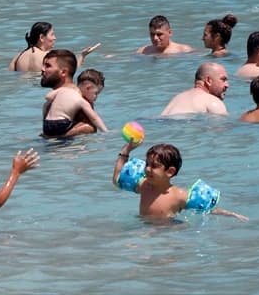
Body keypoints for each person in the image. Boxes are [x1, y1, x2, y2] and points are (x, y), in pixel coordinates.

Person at [112, 140, 247, 221]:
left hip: (168, 232)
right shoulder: (144, 186)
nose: (147, 169)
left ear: (170, 171)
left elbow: (207, 209)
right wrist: (126, 150)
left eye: (154, 166)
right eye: (147, 164)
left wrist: (232, 215)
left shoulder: (178, 196)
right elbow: (117, 179)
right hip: (145, 227)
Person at [41, 49, 108, 137]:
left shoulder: (68, 97)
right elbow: (95, 119)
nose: (42, 69)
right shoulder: (77, 97)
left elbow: (89, 129)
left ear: (64, 72)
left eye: (48, 66)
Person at [161, 63, 230, 116]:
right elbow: (221, 130)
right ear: (208, 81)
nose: (227, 85)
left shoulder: (178, 98)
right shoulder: (213, 102)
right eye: (223, 80)